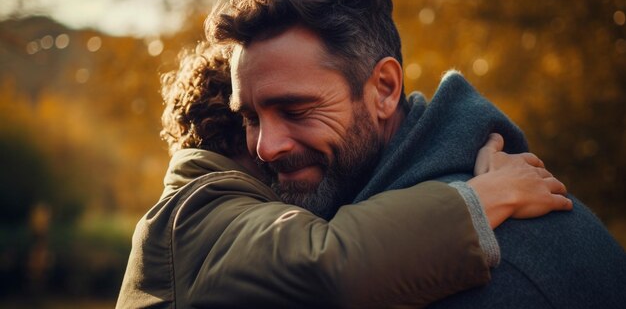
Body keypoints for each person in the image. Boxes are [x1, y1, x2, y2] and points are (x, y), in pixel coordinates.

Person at [206, 0, 626, 308]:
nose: (266, 147)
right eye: (251, 118)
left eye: (296, 109)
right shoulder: (344, 235)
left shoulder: (490, 270)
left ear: (385, 90)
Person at [117, 40, 569, 308]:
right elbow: (331, 260)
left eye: (295, 112)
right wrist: (486, 196)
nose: (275, 146)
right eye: (257, 120)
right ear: (238, 133)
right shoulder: (199, 212)